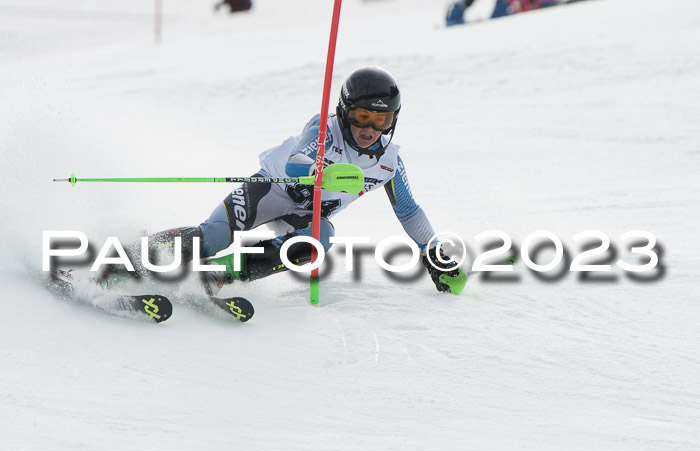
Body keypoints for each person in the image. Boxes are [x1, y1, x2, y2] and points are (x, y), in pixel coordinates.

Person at [103, 67, 466, 296]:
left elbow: (408, 209)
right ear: (344, 110)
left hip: (304, 215)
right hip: (272, 190)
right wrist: (316, 173)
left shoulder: (389, 163)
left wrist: (433, 253)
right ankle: (130, 256)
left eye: (380, 120)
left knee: (320, 239)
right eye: (360, 116)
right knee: (213, 235)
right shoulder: (324, 128)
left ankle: (222, 275)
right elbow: (296, 162)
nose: (369, 129)